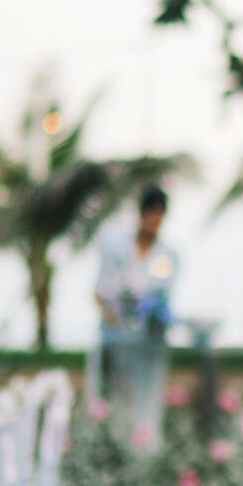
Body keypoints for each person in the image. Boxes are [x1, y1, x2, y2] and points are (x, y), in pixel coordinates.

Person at [94, 186, 179, 438]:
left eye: (159, 215)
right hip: (117, 339)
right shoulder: (115, 248)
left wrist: (154, 311)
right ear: (140, 214)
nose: (154, 220)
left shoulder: (168, 254)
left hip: (150, 343)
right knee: (116, 401)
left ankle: (146, 448)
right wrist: (115, 318)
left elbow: (163, 296)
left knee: (148, 401)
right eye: (150, 213)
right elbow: (100, 291)